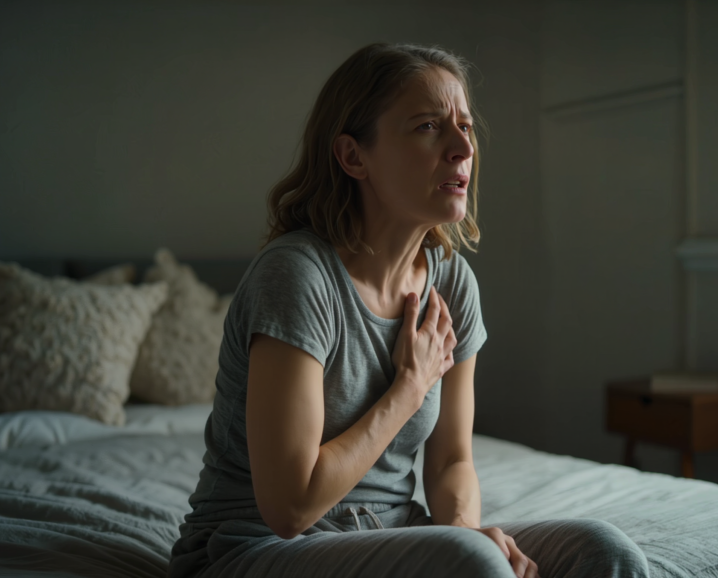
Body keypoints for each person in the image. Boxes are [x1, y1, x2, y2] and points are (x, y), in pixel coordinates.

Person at [168, 42, 649, 578]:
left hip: (392, 532)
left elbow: (450, 462)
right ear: (353, 156)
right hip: (252, 549)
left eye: (465, 127)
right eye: (427, 126)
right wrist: (408, 389)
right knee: (470, 563)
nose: (462, 149)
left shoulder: (453, 284)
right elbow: (290, 506)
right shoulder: (297, 275)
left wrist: (466, 529)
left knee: (604, 552)